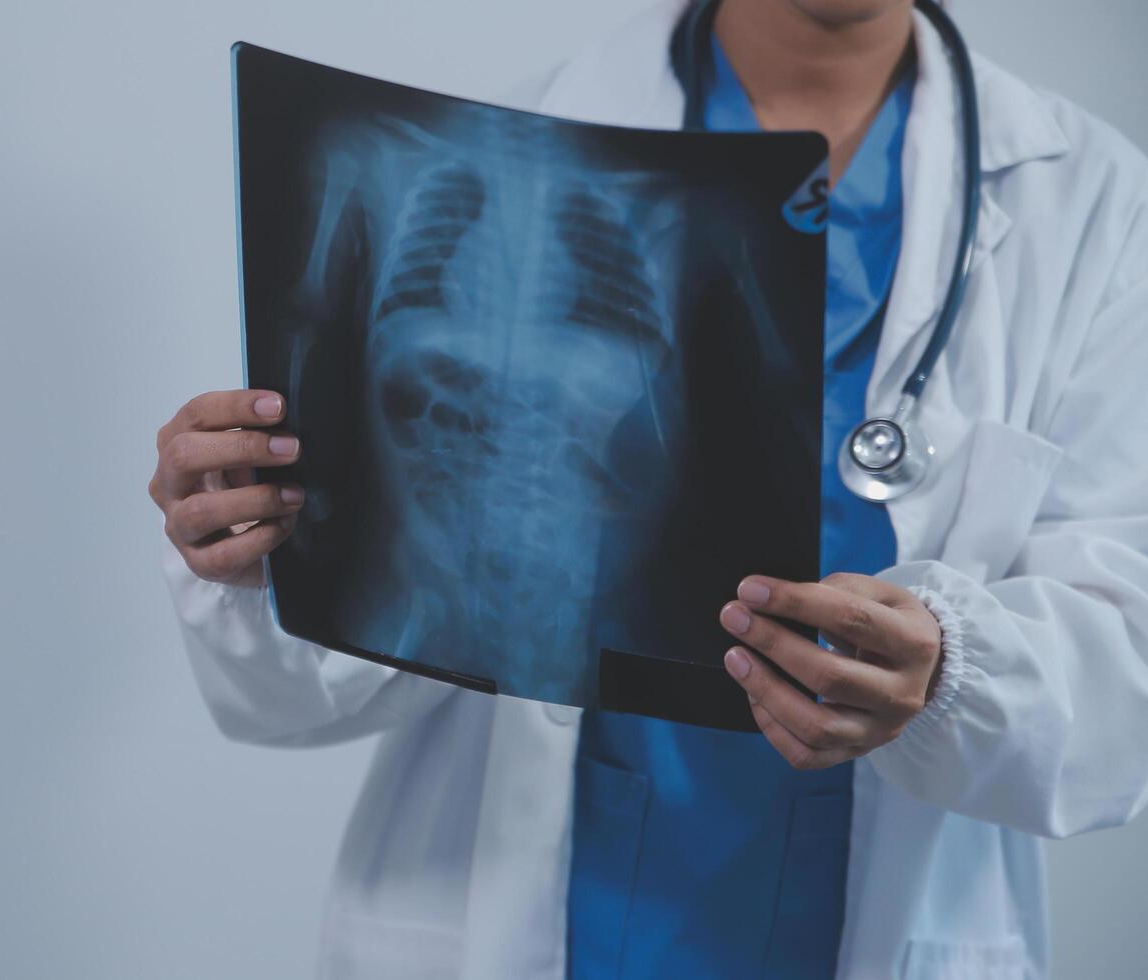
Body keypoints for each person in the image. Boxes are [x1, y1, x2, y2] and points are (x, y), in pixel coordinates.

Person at [147, 0, 1148, 975]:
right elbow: (293, 693)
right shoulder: (493, 154)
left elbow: (1126, 675)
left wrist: (950, 679)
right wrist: (257, 542)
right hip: (533, 915)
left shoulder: (1097, 205)